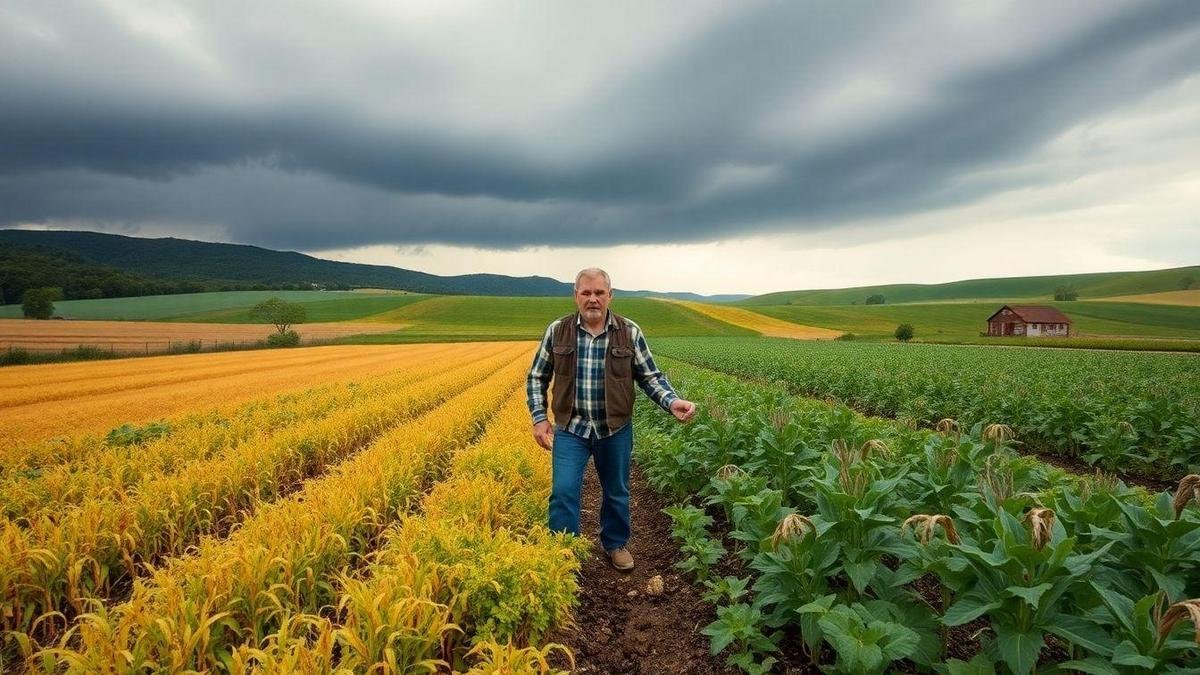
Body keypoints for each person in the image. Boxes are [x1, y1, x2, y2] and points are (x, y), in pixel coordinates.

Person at [526, 267, 696, 571]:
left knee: (616, 490)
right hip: (570, 428)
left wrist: (672, 402)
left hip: (614, 429)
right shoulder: (557, 331)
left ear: (610, 295)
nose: (593, 299)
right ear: (575, 296)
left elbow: (650, 376)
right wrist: (540, 418)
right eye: (586, 293)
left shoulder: (629, 332)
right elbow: (537, 376)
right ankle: (563, 554)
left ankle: (616, 544)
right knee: (563, 491)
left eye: (599, 293)